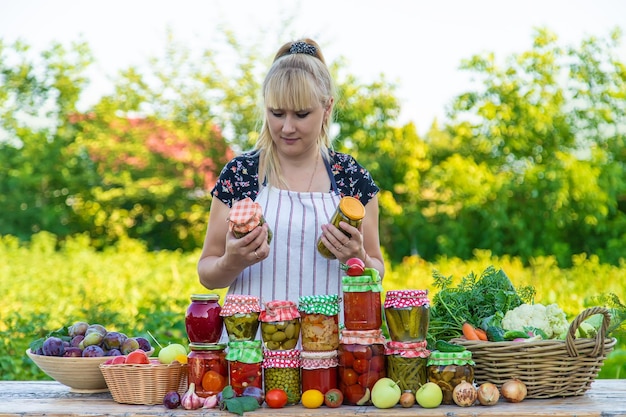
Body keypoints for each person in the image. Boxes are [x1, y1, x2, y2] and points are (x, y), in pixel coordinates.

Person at [197, 38, 384, 304]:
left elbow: (378, 272)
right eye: (277, 113)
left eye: (301, 114)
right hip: (251, 343)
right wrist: (231, 261)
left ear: (327, 107)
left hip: (333, 342)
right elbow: (207, 274)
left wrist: (359, 259)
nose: (286, 127)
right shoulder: (241, 174)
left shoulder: (351, 177)